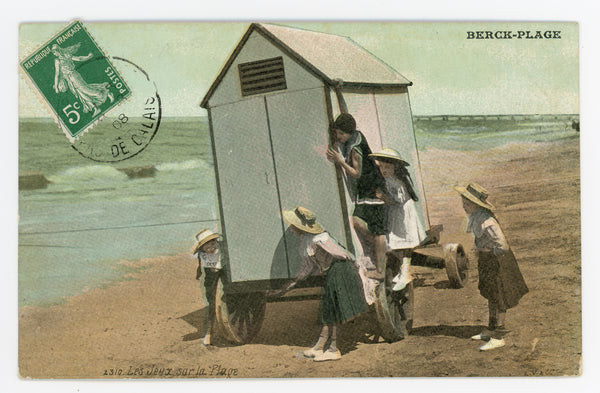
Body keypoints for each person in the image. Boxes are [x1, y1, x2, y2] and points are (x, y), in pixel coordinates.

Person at [269, 207, 366, 361]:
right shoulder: (307, 240)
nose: (291, 228)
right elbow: (306, 268)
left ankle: (334, 349)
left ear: (300, 226)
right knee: (327, 310)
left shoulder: (320, 238)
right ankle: (319, 346)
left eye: (293, 225)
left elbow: (341, 254)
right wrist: (291, 283)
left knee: (335, 311)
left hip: (340, 270)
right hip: (331, 273)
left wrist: (352, 269)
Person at [454, 183, 528, 351]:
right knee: (491, 294)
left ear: (477, 205)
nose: (464, 207)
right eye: (463, 203)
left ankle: (499, 336)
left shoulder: (487, 220)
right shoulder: (476, 217)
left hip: (498, 261)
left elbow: (503, 245)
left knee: (499, 295)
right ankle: (491, 329)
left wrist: (487, 250)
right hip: (487, 260)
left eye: (467, 204)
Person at [326, 113, 386, 281]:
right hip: (365, 192)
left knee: (375, 230)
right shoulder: (354, 136)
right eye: (336, 133)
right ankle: (379, 247)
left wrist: (340, 161)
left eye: (340, 134)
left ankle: (380, 268)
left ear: (348, 133)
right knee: (357, 222)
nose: (338, 137)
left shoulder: (355, 148)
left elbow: (356, 173)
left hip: (372, 190)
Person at [369, 148, 426, 291]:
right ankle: (403, 271)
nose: (384, 170)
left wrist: (384, 198)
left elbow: (398, 201)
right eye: (381, 166)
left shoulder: (396, 182)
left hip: (402, 214)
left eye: (387, 167)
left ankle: (405, 273)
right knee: (398, 244)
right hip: (396, 213)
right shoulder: (389, 180)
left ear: (395, 167)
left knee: (403, 243)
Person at [52, 43, 114, 117]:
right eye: (53, 53)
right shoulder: (62, 57)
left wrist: (88, 57)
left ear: (58, 50)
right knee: (82, 95)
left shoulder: (61, 58)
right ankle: (95, 108)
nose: (54, 54)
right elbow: (59, 74)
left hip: (73, 76)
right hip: (70, 80)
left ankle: (106, 93)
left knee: (86, 90)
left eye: (54, 52)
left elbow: (57, 74)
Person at [191, 229, 223, 347]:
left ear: (216, 242)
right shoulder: (202, 255)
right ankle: (208, 333)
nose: (211, 249)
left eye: (212, 245)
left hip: (224, 269)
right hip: (211, 273)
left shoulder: (221, 249)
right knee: (210, 301)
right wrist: (199, 271)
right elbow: (201, 264)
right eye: (207, 247)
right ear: (202, 249)